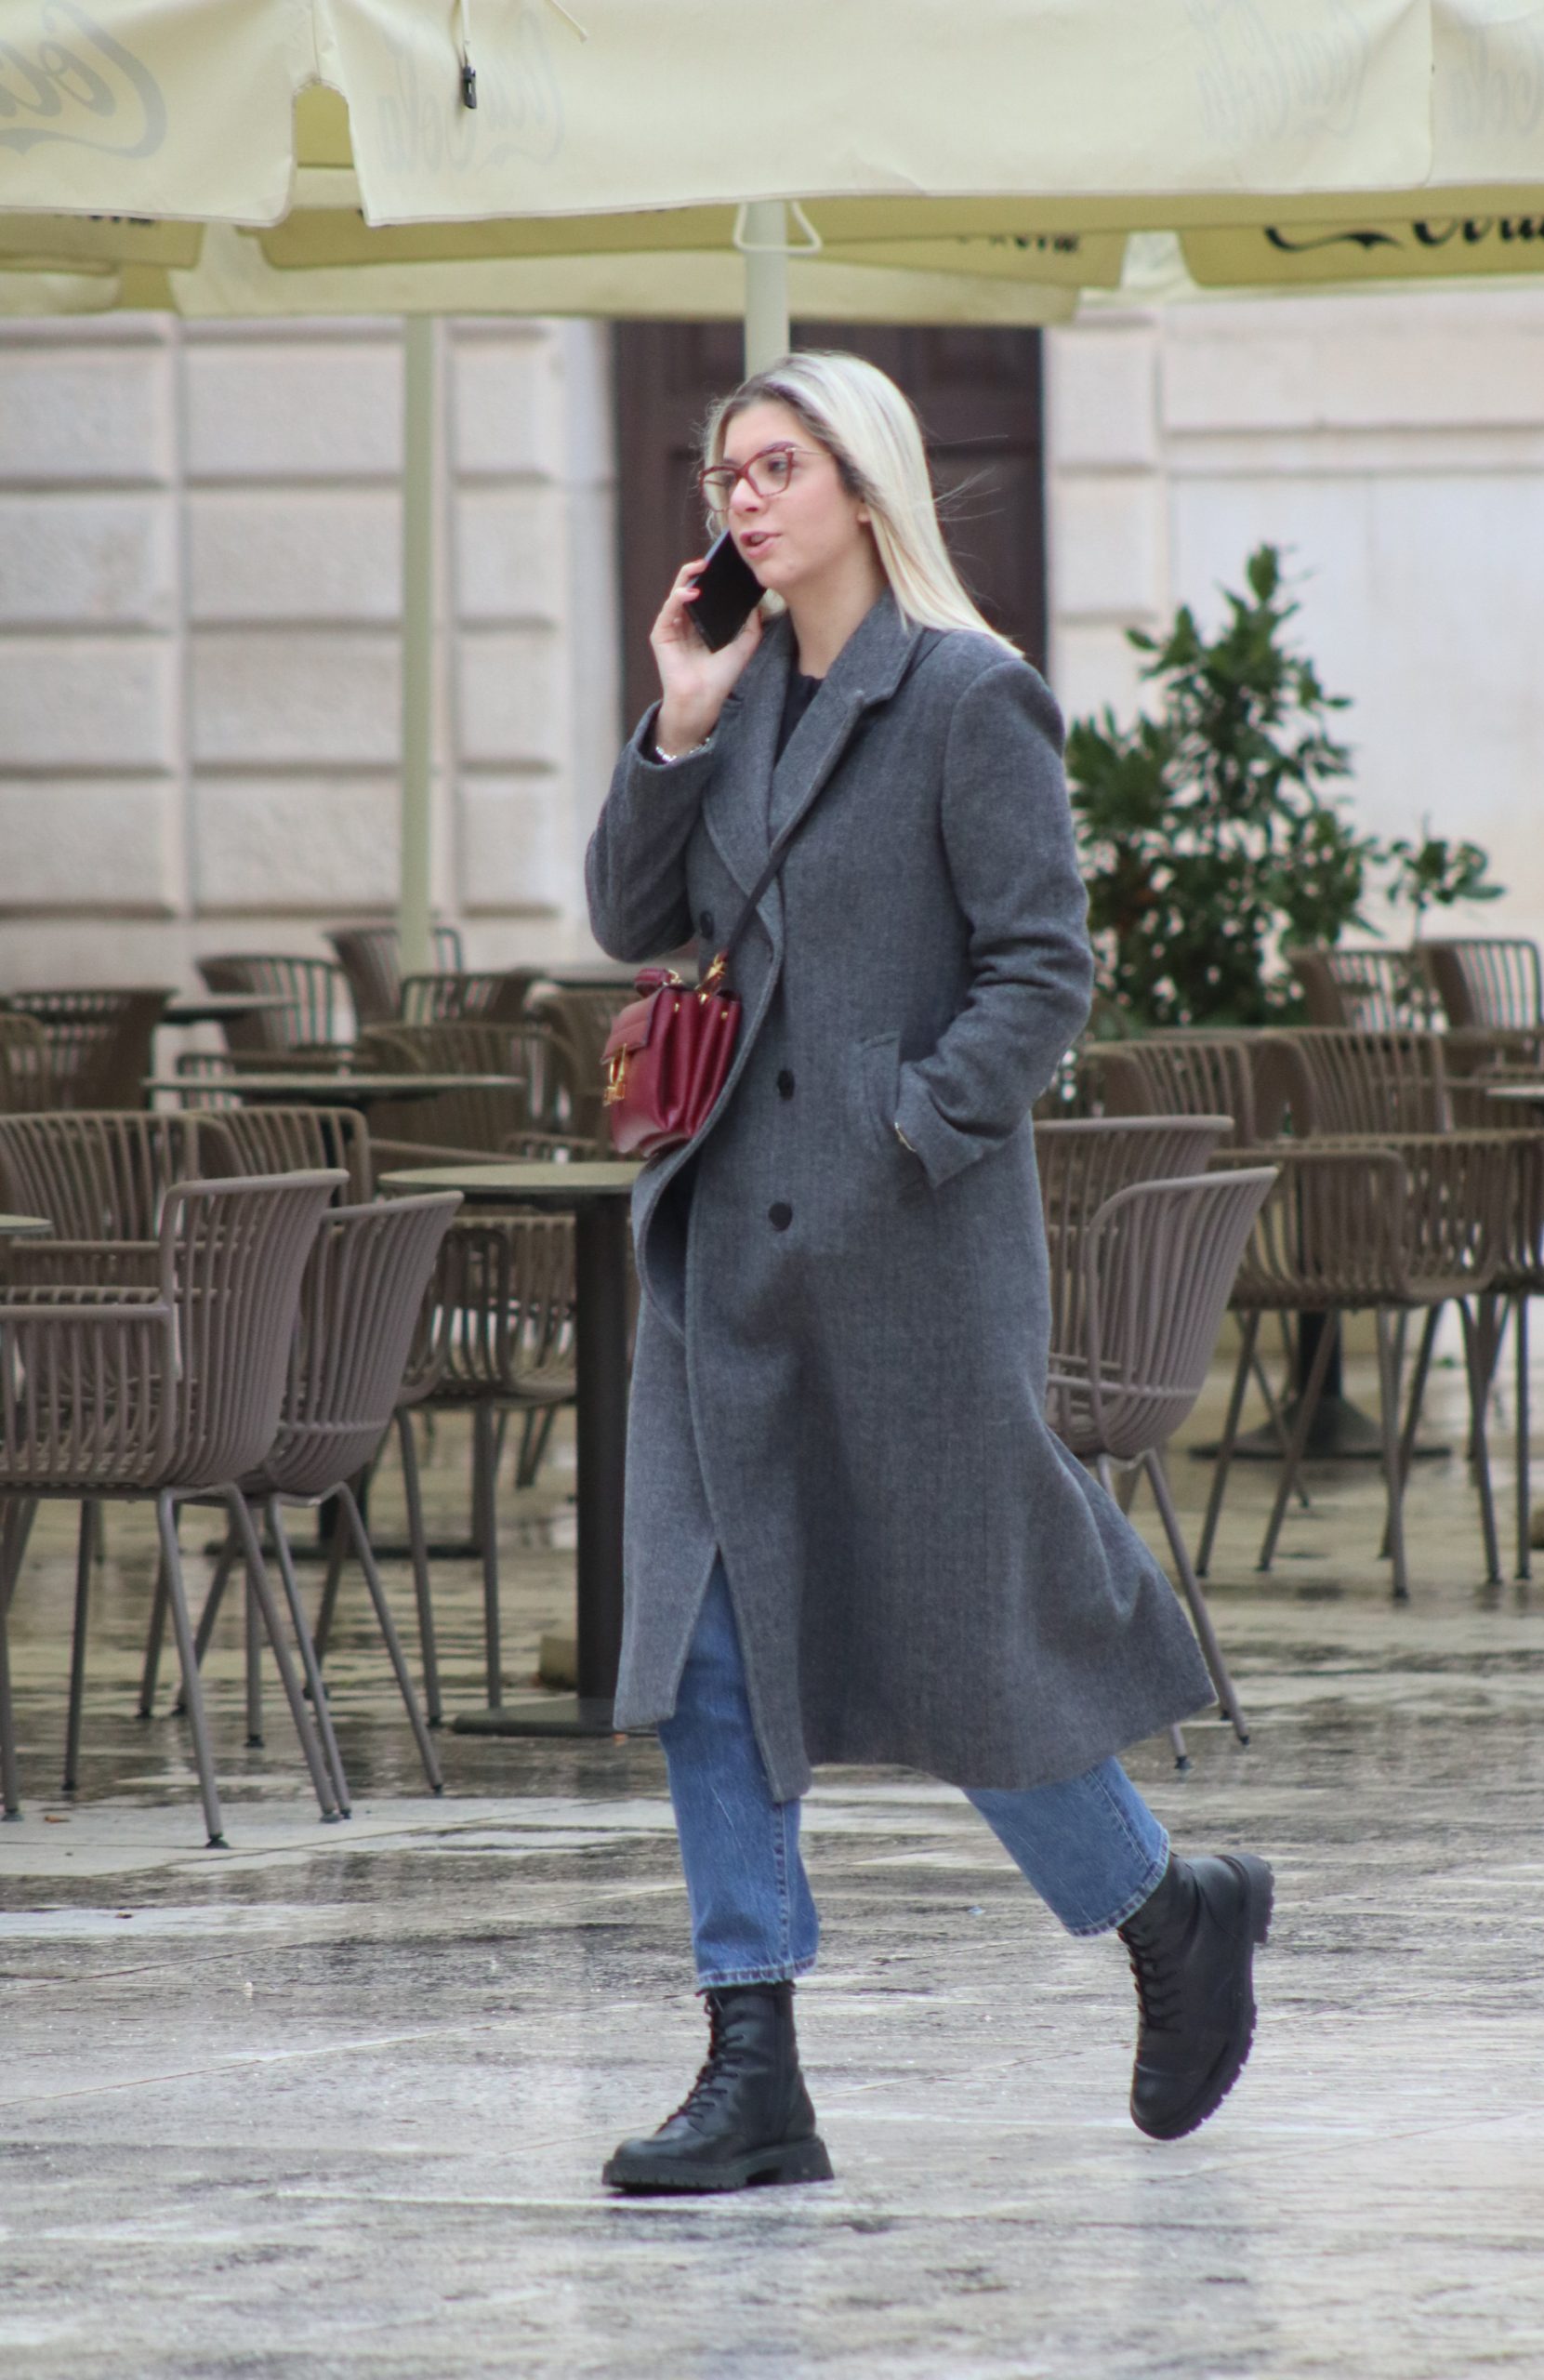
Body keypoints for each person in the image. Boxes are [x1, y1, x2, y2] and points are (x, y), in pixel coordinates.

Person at [586, 350, 1273, 2196]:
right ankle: (753, 2062)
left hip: (908, 1258)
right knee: (709, 1648)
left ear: (862, 482)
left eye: (776, 467)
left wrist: (905, 1131)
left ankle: (1169, 1914)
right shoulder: (729, 699)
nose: (743, 498)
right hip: (723, 1249)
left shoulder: (970, 696)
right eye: (727, 474)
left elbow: (1043, 971)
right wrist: (673, 725)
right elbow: (629, 914)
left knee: (959, 1640)